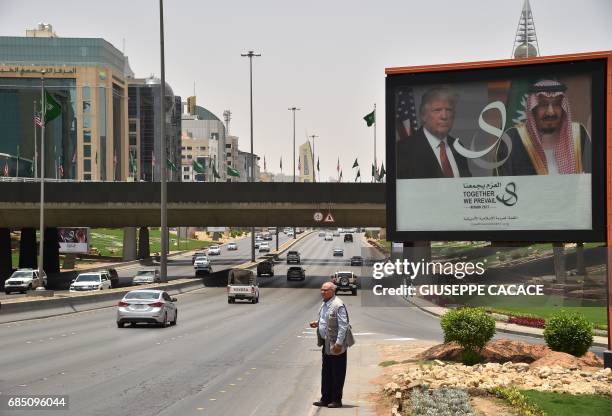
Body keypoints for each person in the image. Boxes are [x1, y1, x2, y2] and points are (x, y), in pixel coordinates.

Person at [497, 79, 592, 176]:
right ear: (532, 109)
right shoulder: (514, 138)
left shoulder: (578, 134)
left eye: (556, 104)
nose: (550, 112)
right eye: (543, 105)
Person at [396, 86, 471, 179]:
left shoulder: (458, 146)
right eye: (437, 110)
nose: (444, 116)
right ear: (423, 115)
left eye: (448, 110)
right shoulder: (403, 149)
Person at [310, 282, 353, 408]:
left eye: (325, 290)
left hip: (336, 344)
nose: (322, 292)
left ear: (332, 291)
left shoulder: (338, 305)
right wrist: (317, 323)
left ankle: (336, 400)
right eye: (322, 290)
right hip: (326, 343)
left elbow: (343, 325)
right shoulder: (325, 303)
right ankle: (325, 398)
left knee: (337, 372)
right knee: (326, 372)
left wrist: (339, 343)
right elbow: (326, 319)